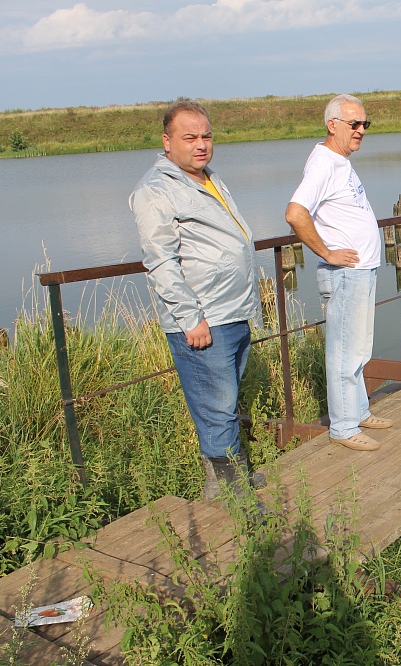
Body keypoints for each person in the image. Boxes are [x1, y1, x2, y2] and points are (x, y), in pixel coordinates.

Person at [130, 101, 264, 502]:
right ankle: (228, 491)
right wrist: (191, 319)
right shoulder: (155, 191)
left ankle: (226, 481)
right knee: (215, 405)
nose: (201, 144)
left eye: (206, 136)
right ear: (167, 141)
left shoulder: (207, 178)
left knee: (224, 399)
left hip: (232, 311)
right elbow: (161, 263)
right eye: (190, 137)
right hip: (203, 318)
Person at [285, 94, 392, 452]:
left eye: (365, 124)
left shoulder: (340, 161)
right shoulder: (324, 164)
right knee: (345, 351)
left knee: (359, 349)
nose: (361, 130)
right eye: (354, 124)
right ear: (332, 125)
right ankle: (343, 427)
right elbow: (296, 213)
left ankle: (358, 410)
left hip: (360, 272)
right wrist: (327, 252)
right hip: (345, 274)